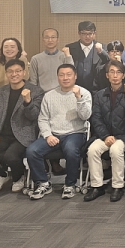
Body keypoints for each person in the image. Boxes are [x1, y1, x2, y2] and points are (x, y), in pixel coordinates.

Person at [0, 59, 44, 194]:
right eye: (10, 71)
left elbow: (34, 116)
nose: (14, 74)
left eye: (18, 71)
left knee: (10, 157)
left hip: (23, 135)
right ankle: (0, 176)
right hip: (2, 136)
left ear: (24, 72)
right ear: (6, 74)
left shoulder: (36, 91)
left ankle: (18, 177)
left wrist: (28, 102)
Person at [26, 64, 92, 200]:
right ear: (57, 77)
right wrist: (48, 135)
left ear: (75, 76)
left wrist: (79, 98)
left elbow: (85, 116)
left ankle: (70, 184)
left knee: (71, 149)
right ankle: (43, 183)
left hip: (75, 133)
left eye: (69, 74)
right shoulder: (49, 96)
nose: (65, 78)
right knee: (32, 151)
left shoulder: (84, 93)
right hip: (53, 134)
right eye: (61, 75)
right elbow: (43, 119)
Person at [84, 60, 125, 202]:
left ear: (123, 75)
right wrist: (105, 136)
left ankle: (117, 186)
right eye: (112, 72)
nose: (115, 75)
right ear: (107, 75)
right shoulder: (99, 95)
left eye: (118, 72)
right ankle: (97, 186)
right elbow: (96, 118)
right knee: (92, 150)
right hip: (105, 135)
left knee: (115, 150)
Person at [29, 28, 74, 175]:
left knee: (59, 127)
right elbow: (33, 81)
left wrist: (68, 56)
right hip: (42, 98)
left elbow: (71, 72)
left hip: (62, 96)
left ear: (57, 39)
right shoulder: (36, 59)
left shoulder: (63, 56)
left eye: (53, 37)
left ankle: (56, 163)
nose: (50, 40)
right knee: (43, 129)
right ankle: (44, 165)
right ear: (43, 39)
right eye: (47, 37)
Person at [0, 37, 29, 116]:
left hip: (18, 102)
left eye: (12, 47)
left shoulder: (23, 63)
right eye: (6, 47)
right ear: (2, 49)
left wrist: (23, 59)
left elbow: (27, 79)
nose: (9, 49)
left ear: (18, 49)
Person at [65, 21, 109, 94]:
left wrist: (101, 52)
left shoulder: (103, 48)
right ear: (79, 33)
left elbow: (109, 63)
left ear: (94, 33)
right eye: (84, 34)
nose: (87, 36)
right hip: (76, 89)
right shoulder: (70, 48)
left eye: (90, 33)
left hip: (97, 90)